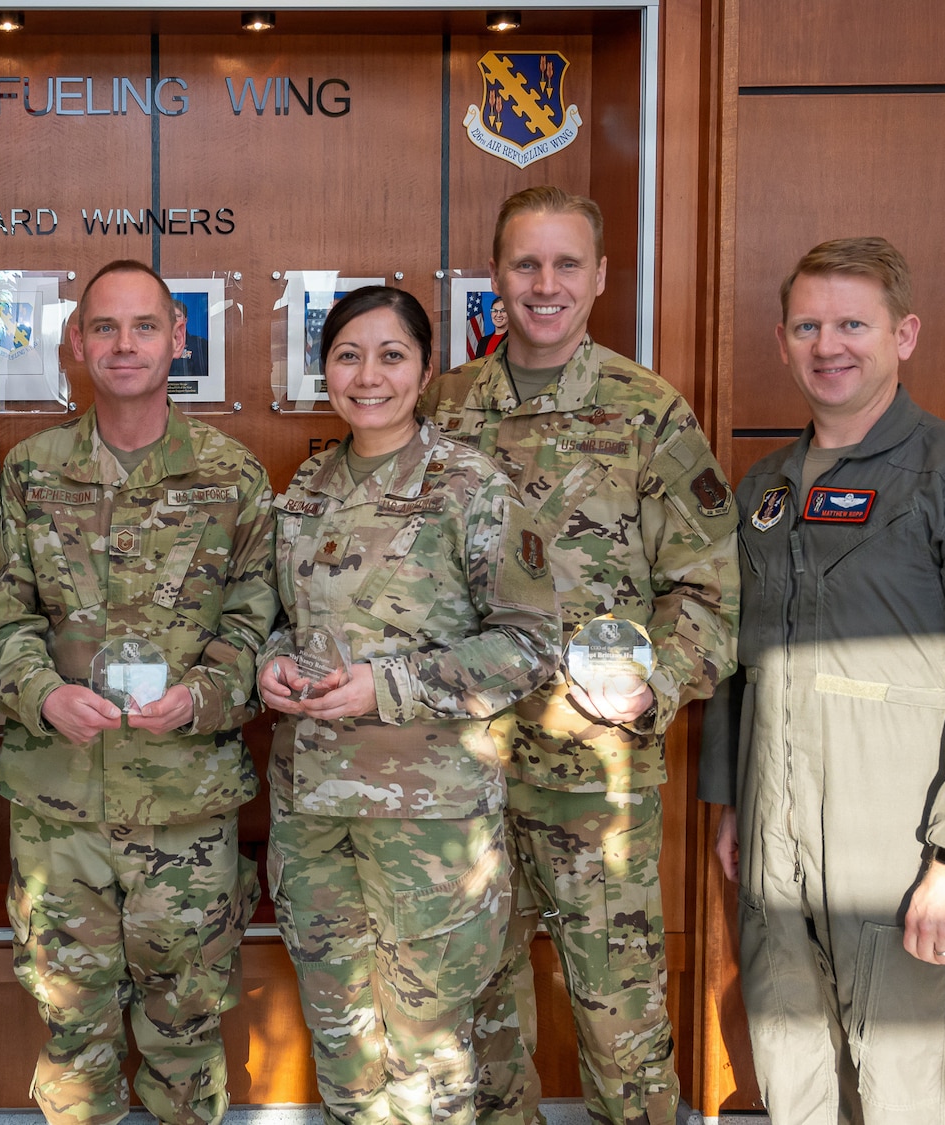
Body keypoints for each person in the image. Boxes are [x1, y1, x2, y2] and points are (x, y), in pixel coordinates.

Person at [701, 237, 945, 1124]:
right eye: (809, 325)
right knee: (794, 1080)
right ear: (782, 340)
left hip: (899, 848)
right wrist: (733, 800)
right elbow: (743, 656)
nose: (830, 345)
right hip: (777, 845)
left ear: (906, 335)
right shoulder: (765, 489)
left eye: (853, 323)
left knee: (910, 1094)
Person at [421, 186, 738, 1125]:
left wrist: (658, 682)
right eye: (526, 264)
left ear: (600, 278)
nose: (545, 285)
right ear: (495, 276)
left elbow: (708, 590)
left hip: (597, 775)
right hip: (462, 770)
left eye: (566, 265)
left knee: (621, 1024)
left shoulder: (649, 414)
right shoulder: (443, 407)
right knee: (475, 1024)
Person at [0, 259, 276, 1125]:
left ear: (179, 338)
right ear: (75, 342)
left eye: (145, 326)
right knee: (74, 1032)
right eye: (104, 328)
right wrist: (40, 694)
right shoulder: (31, 473)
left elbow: (256, 624)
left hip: (184, 807)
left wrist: (203, 694)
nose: (124, 344)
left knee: (186, 1031)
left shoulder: (232, 476)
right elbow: (0, 618)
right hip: (61, 810)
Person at [261, 286, 561, 1125]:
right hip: (315, 814)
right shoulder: (306, 488)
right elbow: (283, 621)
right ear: (325, 371)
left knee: (428, 1057)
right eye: (348, 355)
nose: (368, 375)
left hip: (429, 827)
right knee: (344, 1046)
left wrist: (386, 686)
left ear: (427, 370)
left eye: (392, 355)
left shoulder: (471, 488)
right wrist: (271, 667)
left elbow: (530, 647)